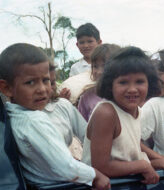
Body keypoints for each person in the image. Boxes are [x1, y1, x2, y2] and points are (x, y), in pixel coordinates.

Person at [0, 43, 110, 189]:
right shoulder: (34, 121)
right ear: (7, 88)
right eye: (30, 82)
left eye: (46, 80)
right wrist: (95, 175)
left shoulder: (10, 115)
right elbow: (66, 166)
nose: (42, 89)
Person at [81, 46, 161, 184]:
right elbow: (101, 167)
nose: (132, 89)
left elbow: (129, 150)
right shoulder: (106, 113)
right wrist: (142, 165)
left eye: (139, 81)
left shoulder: (137, 111)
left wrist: (160, 161)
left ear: (150, 83)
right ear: (110, 85)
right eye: (123, 82)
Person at [45, 62, 88, 160]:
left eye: (52, 83)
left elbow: (87, 137)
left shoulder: (62, 105)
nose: (46, 89)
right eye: (31, 83)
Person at [78, 44, 121, 121]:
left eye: (105, 66)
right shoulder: (87, 97)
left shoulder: (124, 94)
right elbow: (82, 128)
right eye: (95, 66)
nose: (99, 72)